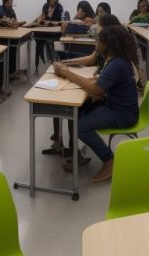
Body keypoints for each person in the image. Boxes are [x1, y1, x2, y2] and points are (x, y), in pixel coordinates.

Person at [51, 25, 140, 182]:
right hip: (116, 106)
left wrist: (66, 72)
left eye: (98, 40)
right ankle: (75, 152)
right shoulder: (115, 59)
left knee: (82, 127)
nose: (95, 43)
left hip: (122, 114)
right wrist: (69, 72)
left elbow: (95, 89)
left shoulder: (117, 64)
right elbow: (99, 83)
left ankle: (109, 160)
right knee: (80, 108)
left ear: (108, 44)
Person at [0, 0, 23, 94]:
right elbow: (2, 20)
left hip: (9, 36)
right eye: (9, 3)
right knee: (2, 58)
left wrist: (14, 22)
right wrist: (10, 21)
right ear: (4, 3)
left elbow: (14, 21)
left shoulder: (12, 10)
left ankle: (10, 73)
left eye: (11, 2)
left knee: (13, 49)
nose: (11, 4)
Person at [33, 0, 64, 67]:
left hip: (55, 31)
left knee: (51, 40)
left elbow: (58, 20)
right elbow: (43, 18)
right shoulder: (46, 6)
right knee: (36, 35)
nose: (52, 1)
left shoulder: (59, 7)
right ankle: (41, 55)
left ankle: (52, 59)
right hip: (45, 29)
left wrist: (48, 19)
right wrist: (42, 19)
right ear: (48, 0)